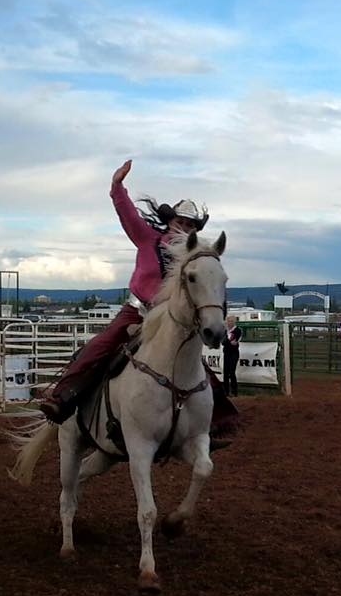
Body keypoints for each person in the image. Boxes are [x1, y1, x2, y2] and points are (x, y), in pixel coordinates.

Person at [37, 160, 236, 437]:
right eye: (181, 222)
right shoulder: (147, 238)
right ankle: (62, 398)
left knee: (195, 367)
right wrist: (117, 187)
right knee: (101, 346)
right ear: (170, 221)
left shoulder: (197, 256)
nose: (185, 228)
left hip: (172, 320)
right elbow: (128, 215)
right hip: (138, 312)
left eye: (191, 225)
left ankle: (214, 421)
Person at [222, 315, 242, 397]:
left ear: (234, 322)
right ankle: (226, 391)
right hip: (226, 352)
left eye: (231, 321)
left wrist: (227, 341)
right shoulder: (224, 331)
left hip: (234, 353)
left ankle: (234, 391)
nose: (229, 323)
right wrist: (228, 342)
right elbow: (224, 342)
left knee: (231, 372)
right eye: (228, 321)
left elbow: (232, 341)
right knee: (225, 373)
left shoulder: (237, 330)